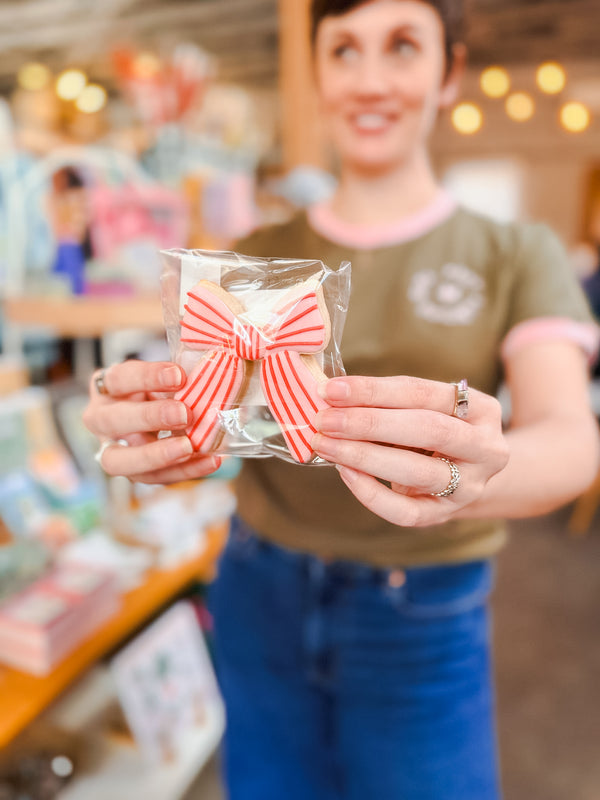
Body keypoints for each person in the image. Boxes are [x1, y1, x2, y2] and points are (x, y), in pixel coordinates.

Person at [83, 1, 600, 797]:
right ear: (319, 74)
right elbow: (222, 415)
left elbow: (571, 436)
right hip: (258, 586)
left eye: (401, 46)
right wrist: (164, 443)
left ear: (448, 71)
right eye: (344, 50)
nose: (370, 79)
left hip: (422, 611)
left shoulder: (513, 251)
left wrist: (486, 466)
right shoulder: (253, 260)